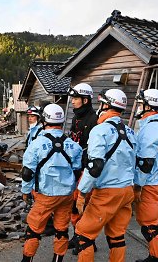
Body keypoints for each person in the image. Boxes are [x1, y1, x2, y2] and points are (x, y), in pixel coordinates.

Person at [74, 89, 136, 262]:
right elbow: (137, 163)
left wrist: (82, 192)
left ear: (106, 105)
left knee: (83, 235)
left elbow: (95, 166)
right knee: (117, 236)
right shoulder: (130, 132)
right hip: (126, 190)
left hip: (107, 192)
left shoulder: (99, 130)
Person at [21, 104, 83, 262]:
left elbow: (27, 173)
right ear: (61, 122)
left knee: (33, 230)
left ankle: (27, 260)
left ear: (43, 121)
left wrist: (26, 191)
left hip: (45, 195)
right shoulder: (74, 146)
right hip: (66, 195)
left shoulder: (36, 144)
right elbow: (77, 171)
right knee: (62, 230)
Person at [133, 89, 158, 262]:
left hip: (149, 183)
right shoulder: (156, 125)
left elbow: (146, 162)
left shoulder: (152, 128)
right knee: (148, 222)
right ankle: (154, 256)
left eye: (141, 104)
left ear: (149, 106)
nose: (138, 107)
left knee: (150, 224)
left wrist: (137, 185)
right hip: (152, 181)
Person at [67, 83, 98, 250]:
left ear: (85, 100)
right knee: (74, 206)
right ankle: (77, 235)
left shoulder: (94, 120)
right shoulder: (75, 118)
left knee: (84, 206)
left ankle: (88, 241)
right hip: (75, 168)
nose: (72, 101)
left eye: (75, 98)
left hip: (87, 169)